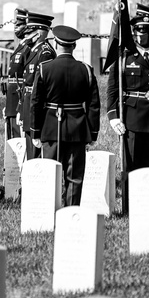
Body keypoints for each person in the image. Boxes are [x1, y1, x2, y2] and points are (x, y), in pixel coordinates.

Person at [107, 14, 149, 212]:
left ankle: (147, 206)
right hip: (132, 119)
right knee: (131, 166)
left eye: (147, 31)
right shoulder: (124, 59)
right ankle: (129, 208)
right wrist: (113, 117)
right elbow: (112, 90)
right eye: (139, 31)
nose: (142, 35)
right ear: (134, 33)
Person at [30, 25, 101, 206]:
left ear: (55, 44)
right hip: (77, 130)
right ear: (74, 46)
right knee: (75, 177)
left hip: (51, 128)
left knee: (50, 175)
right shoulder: (86, 70)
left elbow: (36, 103)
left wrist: (35, 132)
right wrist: (93, 133)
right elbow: (93, 105)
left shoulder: (45, 68)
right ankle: (72, 211)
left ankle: (50, 210)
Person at [19, 12, 55, 160]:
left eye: (29, 32)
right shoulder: (32, 50)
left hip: (37, 107)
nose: (26, 36)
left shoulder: (45, 52)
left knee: (36, 154)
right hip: (28, 104)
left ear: (38, 33)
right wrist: (21, 108)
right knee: (30, 151)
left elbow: (42, 86)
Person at [3, 8, 29, 142]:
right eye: (15, 25)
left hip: (19, 98)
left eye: (19, 25)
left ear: (27, 26)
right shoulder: (21, 46)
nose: (16, 28)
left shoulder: (28, 48)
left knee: (19, 139)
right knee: (12, 137)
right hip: (12, 98)